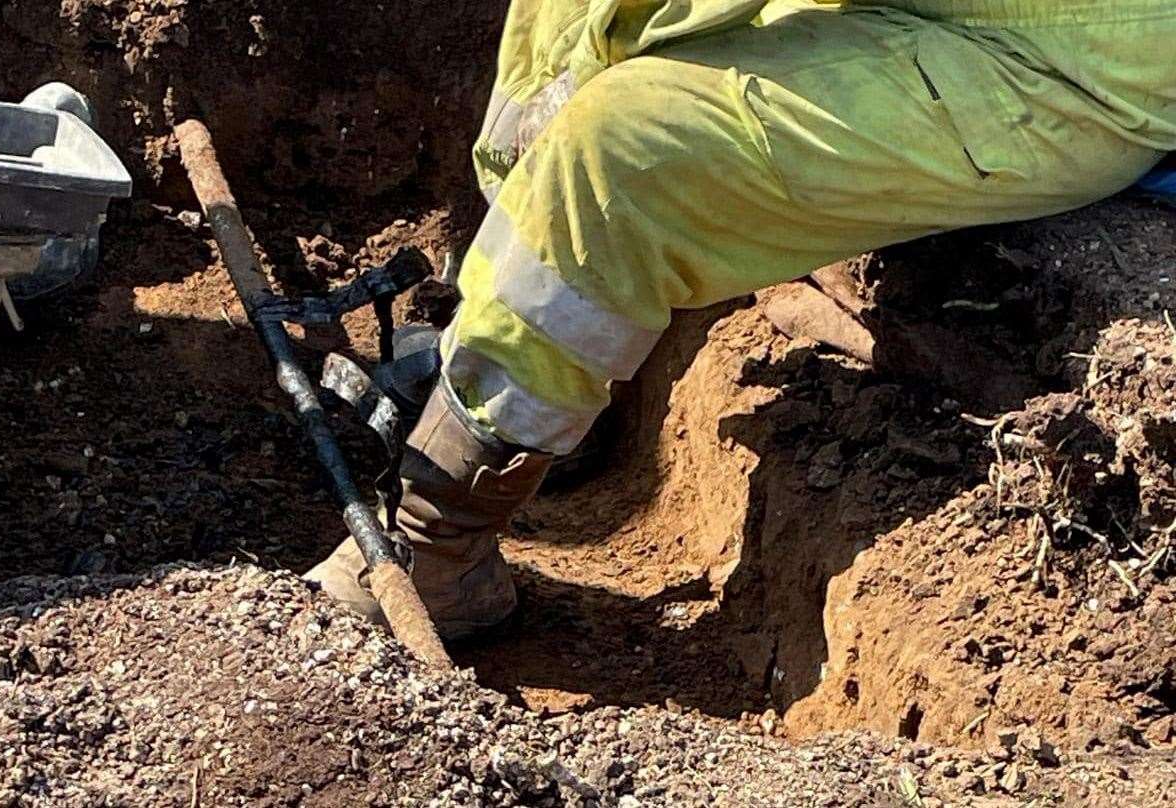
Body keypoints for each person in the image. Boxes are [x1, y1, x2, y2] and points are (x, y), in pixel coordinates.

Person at [307, 0, 1176, 639]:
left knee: (618, 151)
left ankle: (437, 545)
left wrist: (600, 57)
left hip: (1074, 52)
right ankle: (506, 345)